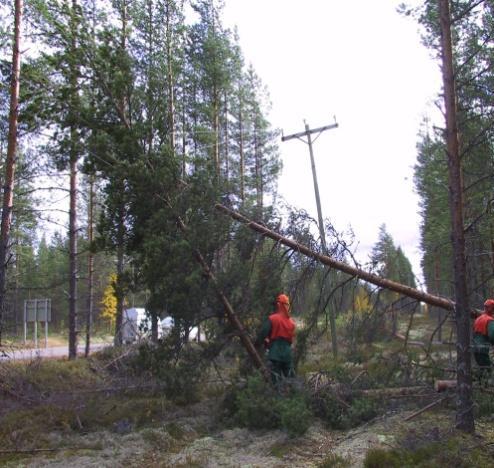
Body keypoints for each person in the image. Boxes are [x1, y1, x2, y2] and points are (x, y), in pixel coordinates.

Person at [258, 293, 296, 383]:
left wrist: (257, 344)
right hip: (287, 354)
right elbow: (291, 340)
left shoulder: (272, 319)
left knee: (276, 380)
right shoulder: (291, 322)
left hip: (275, 353)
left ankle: (278, 394)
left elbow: (263, 333)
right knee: (291, 379)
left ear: (279, 305)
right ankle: (295, 394)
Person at [473, 299, 494, 383]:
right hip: (483, 349)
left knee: (482, 368)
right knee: (489, 369)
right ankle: (483, 387)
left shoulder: (478, 319)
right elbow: (492, 336)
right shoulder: (489, 320)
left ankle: (477, 384)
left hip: (475, 348)